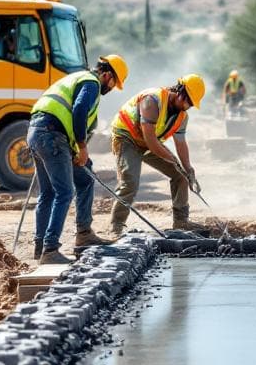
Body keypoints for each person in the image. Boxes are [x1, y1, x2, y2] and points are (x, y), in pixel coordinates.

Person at [28, 54, 129, 263]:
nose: (110, 89)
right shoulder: (91, 83)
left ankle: (79, 236)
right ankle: (50, 250)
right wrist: (82, 147)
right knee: (64, 192)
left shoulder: (77, 79)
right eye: (113, 84)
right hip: (51, 135)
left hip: (38, 133)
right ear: (107, 74)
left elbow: (68, 118)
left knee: (81, 179)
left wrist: (78, 153)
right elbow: (79, 110)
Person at [110, 75, 206, 235]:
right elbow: (151, 140)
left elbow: (181, 143)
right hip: (127, 137)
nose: (188, 106)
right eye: (188, 102)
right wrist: (173, 159)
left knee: (180, 175)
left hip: (148, 142)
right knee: (130, 181)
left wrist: (188, 169)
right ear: (180, 93)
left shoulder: (182, 117)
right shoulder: (152, 101)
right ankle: (116, 226)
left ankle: (181, 221)